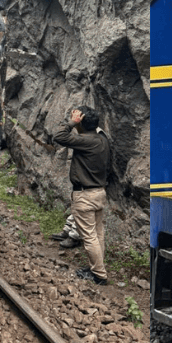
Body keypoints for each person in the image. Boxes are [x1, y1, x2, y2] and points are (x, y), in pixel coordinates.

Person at [54, 106, 110, 285]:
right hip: (99, 193)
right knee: (98, 233)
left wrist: (72, 122)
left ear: (82, 123)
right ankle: (97, 267)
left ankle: (99, 275)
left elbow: (59, 137)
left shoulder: (86, 140)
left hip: (85, 196)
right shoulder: (103, 139)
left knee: (89, 237)